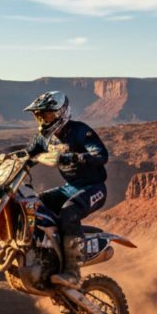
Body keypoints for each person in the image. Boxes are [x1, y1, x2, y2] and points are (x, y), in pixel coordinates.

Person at [23, 91, 109, 288]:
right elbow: (28, 153)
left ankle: (72, 271)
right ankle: (44, 256)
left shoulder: (80, 131)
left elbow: (102, 155)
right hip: (70, 188)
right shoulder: (44, 138)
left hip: (93, 188)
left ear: (60, 113)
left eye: (47, 115)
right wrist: (2, 158)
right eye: (40, 115)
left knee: (69, 212)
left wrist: (76, 157)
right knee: (34, 203)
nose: (43, 120)